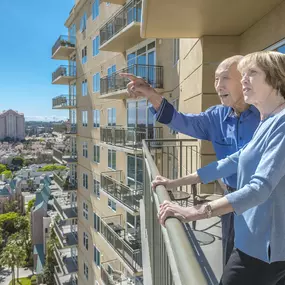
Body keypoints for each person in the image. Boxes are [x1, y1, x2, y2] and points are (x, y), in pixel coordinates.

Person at [153, 51, 285, 285]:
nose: (244, 80)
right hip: (249, 239)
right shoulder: (267, 121)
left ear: (276, 79)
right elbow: (230, 162)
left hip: (267, 250)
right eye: (242, 74)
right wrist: (174, 183)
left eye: (251, 73)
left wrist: (193, 212)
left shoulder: (281, 123)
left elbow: (259, 188)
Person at [120, 55, 260, 267]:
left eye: (224, 78)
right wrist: (150, 94)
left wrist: (191, 209)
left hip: (265, 204)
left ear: (244, 80)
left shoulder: (268, 117)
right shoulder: (216, 117)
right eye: (215, 79)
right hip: (229, 202)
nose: (218, 86)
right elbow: (181, 121)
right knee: (231, 259)